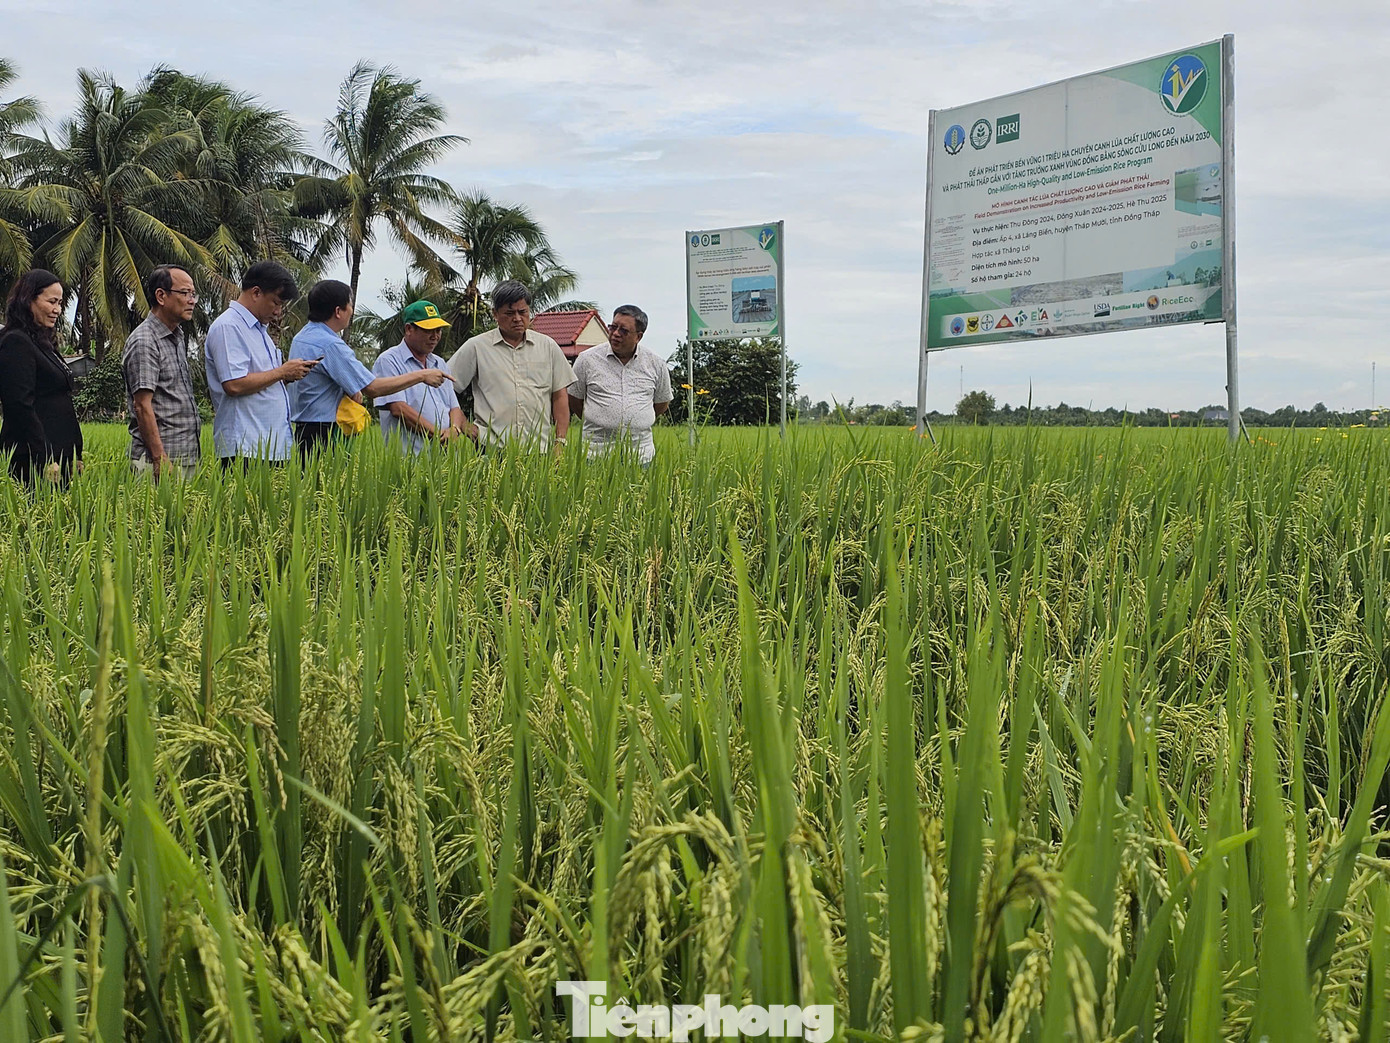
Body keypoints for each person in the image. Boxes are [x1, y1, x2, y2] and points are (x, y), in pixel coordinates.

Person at [288, 280, 453, 455]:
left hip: (302, 428)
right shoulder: (331, 345)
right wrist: (421, 376)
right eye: (350, 306)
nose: (352, 311)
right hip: (323, 432)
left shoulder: (303, 336)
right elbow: (372, 388)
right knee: (323, 480)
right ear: (338, 311)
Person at [205, 261, 316, 466]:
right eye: (276, 302)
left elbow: (263, 380)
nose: (278, 312)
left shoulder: (259, 331)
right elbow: (234, 384)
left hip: (269, 446)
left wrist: (288, 376)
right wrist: (282, 372)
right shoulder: (229, 326)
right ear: (256, 293)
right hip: (246, 447)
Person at [447, 280, 573, 452]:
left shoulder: (548, 347)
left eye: (523, 312)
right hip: (491, 449)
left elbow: (559, 396)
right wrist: (462, 423)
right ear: (495, 314)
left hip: (539, 451)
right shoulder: (477, 347)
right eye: (509, 313)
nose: (517, 319)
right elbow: (446, 388)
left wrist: (560, 441)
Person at [0, 269, 82, 483]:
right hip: (33, 459)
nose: (57, 310)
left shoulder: (43, 343)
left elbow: (61, 400)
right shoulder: (16, 342)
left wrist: (76, 452)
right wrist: (44, 456)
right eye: (52, 301)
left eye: (60, 303)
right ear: (29, 300)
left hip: (59, 455)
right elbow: (19, 405)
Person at [122, 264, 201, 480]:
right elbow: (142, 405)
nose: (191, 300)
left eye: (193, 294)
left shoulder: (176, 337)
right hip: (158, 462)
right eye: (185, 293)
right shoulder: (145, 340)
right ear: (161, 296)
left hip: (184, 456)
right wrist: (159, 458)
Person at [568, 305, 672, 466]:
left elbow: (661, 403)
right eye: (613, 327)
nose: (616, 334)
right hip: (596, 454)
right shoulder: (587, 360)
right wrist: (600, 419)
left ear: (638, 336)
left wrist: (638, 419)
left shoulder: (656, 364)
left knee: (640, 492)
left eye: (623, 330)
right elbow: (575, 399)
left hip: (640, 455)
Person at [373, 300, 467, 452]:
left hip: (444, 457)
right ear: (409, 329)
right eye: (428, 330)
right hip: (409, 457)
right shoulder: (389, 361)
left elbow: (454, 407)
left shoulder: (440, 363)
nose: (435, 336)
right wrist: (438, 435)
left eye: (438, 330)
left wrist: (454, 429)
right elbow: (398, 408)